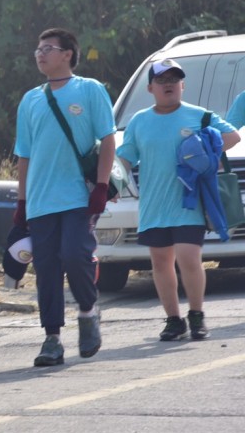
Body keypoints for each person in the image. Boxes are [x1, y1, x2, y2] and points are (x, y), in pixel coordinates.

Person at [116, 59, 240, 341]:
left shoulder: (200, 116)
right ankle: (173, 320)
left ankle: (196, 316)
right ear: (150, 88)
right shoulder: (139, 121)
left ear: (183, 85)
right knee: (160, 262)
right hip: (154, 205)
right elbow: (125, 158)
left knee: (188, 257)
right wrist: (110, 182)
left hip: (189, 202)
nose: (168, 83)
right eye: (161, 80)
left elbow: (231, 136)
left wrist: (208, 148)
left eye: (174, 79)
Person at [14, 28, 116, 367]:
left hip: (78, 196)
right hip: (41, 200)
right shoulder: (30, 99)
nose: (40, 54)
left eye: (48, 48)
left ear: (67, 54)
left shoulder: (89, 90)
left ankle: (88, 313)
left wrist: (101, 186)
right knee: (46, 269)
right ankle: (52, 338)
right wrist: (21, 202)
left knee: (75, 256)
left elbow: (107, 139)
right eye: (38, 49)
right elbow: (24, 155)